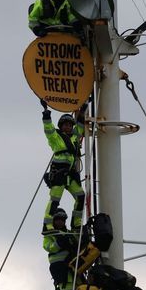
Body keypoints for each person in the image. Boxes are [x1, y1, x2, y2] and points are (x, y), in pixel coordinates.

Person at [41, 100, 87, 234]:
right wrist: (46, 112)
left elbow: (79, 126)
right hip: (59, 173)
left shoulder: (74, 137)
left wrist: (83, 110)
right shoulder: (55, 137)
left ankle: (76, 225)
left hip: (71, 174)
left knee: (80, 196)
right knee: (55, 200)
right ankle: (47, 225)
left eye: (69, 125)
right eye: (65, 125)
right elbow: (48, 128)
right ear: (61, 126)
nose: (68, 127)